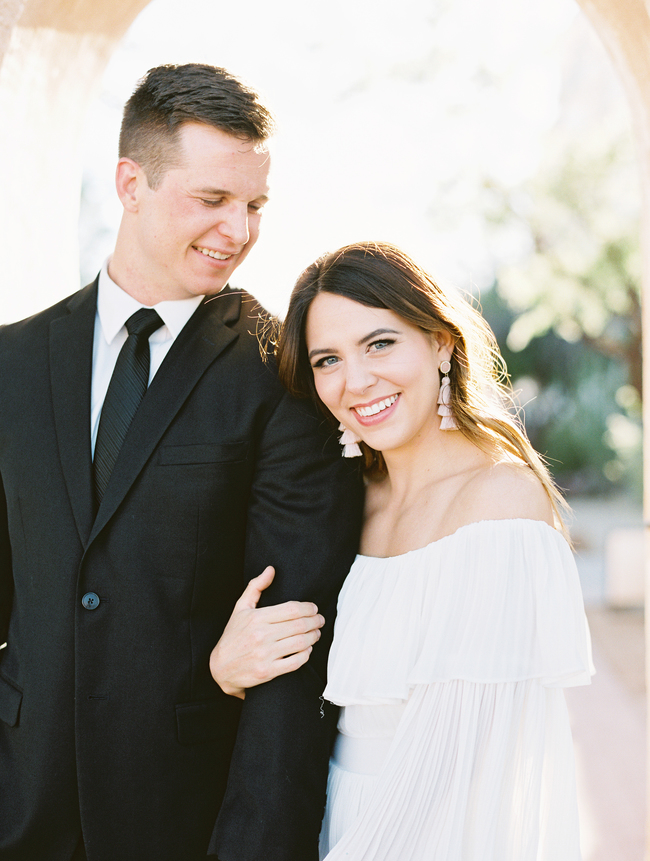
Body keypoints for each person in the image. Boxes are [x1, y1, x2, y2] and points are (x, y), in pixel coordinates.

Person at [0, 64, 363, 861]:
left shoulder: (284, 373)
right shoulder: (13, 362)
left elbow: (292, 659)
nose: (239, 230)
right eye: (212, 200)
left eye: (255, 205)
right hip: (22, 811)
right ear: (131, 182)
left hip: (185, 821)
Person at [277, 241, 594, 861]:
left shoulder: (500, 502)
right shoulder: (344, 505)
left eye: (380, 344)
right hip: (331, 817)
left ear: (441, 344)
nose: (356, 380)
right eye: (327, 360)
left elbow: (456, 763)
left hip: (435, 835)